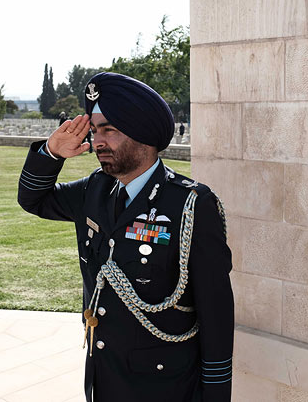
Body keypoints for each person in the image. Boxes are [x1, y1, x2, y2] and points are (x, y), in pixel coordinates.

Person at [17, 72, 233, 402]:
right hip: (104, 378)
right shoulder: (94, 189)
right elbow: (34, 199)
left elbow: (216, 315)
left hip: (165, 388)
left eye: (109, 130)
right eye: (94, 130)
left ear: (143, 135)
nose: (97, 141)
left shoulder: (191, 205)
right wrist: (51, 153)